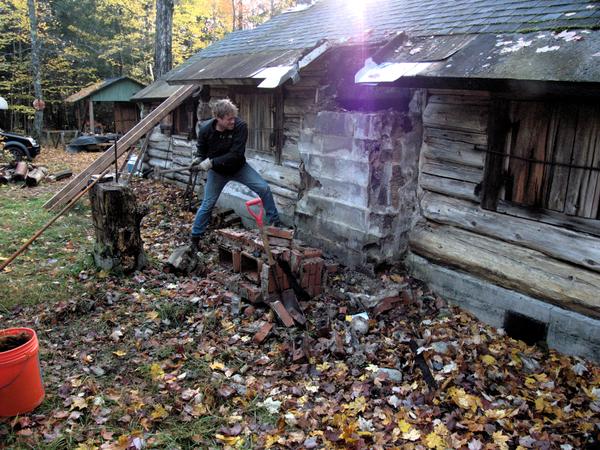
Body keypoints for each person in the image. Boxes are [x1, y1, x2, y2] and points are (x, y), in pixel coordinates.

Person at [190, 99, 282, 251]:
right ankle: (195, 238)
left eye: (234, 117)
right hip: (218, 173)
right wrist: (198, 159)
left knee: (264, 188)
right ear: (218, 118)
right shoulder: (205, 129)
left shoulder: (240, 126)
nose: (233, 121)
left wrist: (210, 162)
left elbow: (236, 154)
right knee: (207, 204)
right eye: (229, 119)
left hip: (239, 168)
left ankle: (275, 224)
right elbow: (201, 150)